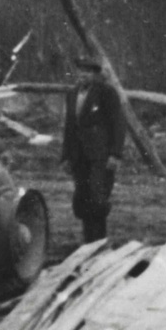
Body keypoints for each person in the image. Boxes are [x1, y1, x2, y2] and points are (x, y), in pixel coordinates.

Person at [60, 56, 126, 243]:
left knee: (98, 198)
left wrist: (115, 153)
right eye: (81, 71)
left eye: (88, 72)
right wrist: (65, 156)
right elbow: (69, 126)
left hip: (100, 155)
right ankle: (88, 242)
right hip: (78, 156)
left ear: (96, 75)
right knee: (82, 198)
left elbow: (118, 124)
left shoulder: (106, 93)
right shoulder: (72, 94)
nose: (83, 75)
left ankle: (100, 241)